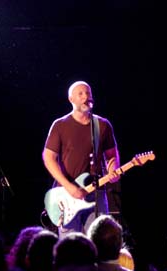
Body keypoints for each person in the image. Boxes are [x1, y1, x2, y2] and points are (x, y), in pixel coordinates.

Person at [42, 80, 120, 236]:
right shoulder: (60, 125)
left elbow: (112, 155)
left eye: (88, 93)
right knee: (70, 243)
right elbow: (48, 157)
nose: (86, 97)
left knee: (98, 240)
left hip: (96, 193)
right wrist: (69, 186)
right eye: (81, 93)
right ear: (71, 99)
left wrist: (113, 170)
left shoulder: (102, 125)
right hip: (68, 192)